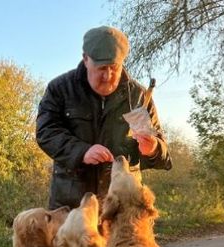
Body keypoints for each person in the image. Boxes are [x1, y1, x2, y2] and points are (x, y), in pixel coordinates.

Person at [36, 25, 172, 210]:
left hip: (123, 209)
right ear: (85, 59)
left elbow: (163, 156)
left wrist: (153, 148)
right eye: (101, 68)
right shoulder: (60, 89)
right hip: (72, 208)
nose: (108, 76)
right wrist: (81, 151)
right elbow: (45, 132)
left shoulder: (139, 96)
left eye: (114, 67)